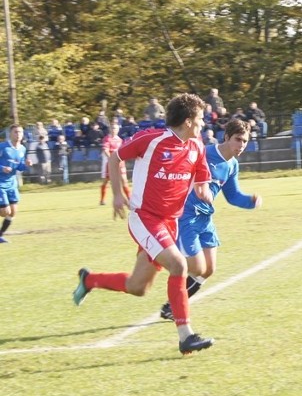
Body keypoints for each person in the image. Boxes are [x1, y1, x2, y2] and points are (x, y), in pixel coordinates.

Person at [72, 93, 216, 355]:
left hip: (169, 224)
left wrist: (204, 191)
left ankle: (89, 279)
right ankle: (186, 336)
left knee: (138, 287)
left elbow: (202, 180)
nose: (203, 124)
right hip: (145, 218)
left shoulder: (196, 148)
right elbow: (116, 158)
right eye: (200, 119)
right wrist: (117, 194)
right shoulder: (151, 139)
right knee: (179, 264)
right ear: (187, 121)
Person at [160, 119, 262, 322]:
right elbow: (174, 167)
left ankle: (171, 307)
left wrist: (251, 201)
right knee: (197, 268)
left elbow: (233, 196)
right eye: (238, 140)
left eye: (245, 141)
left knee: (209, 270)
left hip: (205, 219)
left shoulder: (232, 165)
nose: (241, 145)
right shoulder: (204, 153)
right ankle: (175, 304)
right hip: (186, 217)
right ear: (226, 137)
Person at [0, 125, 29, 242]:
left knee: (12, 212)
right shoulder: (2, 147)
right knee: (5, 212)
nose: (18, 135)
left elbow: (20, 167)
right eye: (16, 132)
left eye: (20, 132)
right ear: (10, 134)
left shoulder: (22, 149)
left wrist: (26, 164)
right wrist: (2, 168)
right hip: (0, 183)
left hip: (12, 184)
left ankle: (0, 235)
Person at [100, 122, 131, 205]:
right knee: (106, 181)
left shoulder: (120, 140)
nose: (114, 130)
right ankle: (102, 200)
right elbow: (105, 150)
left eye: (115, 128)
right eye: (112, 128)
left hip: (120, 163)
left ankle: (130, 199)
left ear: (118, 130)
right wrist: (111, 159)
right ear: (110, 129)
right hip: (110, 163)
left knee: (124, 180)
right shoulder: (107, 139)